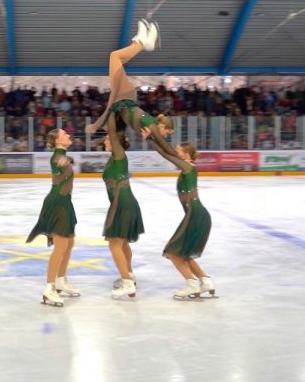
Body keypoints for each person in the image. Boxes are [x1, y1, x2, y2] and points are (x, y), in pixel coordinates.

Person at [85, 19, 179, 159]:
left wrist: (98, 138)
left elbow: (115, 128)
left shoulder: (147, 128)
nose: (165, 136)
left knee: (117, 58)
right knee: (115, 57)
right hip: (124, 96)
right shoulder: (151, 124)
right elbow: (165, 146)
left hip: (125, 98)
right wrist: (182, 157)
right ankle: (142, 43)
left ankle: (139, 42)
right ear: (163, 127)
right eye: (167, 133)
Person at [142, 128, 216, 300]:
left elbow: (166, 154)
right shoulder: (187, 168)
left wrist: (150, 139)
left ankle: (191, 284)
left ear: (187, 154)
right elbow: (168, 152)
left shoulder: (187, 167)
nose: (175, 153)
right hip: (197, 214)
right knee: (184, 253)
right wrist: (152, 138)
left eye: (178, 151)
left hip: (195, 215)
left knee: (173, 252)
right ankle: (205, 281)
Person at [27, 129, 79, 307]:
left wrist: (68, 159)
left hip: (65, 202)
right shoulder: (56, 157)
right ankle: (48, 288)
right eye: (64, 134)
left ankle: (60, 281)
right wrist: (67, 159)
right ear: (57, 141)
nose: (68, 135)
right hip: (57, 203)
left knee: (69, 242)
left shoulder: (61, 155)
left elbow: (66, 160)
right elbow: (59, 161)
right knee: (61, 245)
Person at [103, 114, 144, 299]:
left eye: (108, 139)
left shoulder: (119, 156)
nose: (105, 141)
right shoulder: (114, 157)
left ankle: (127, 283)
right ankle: (129, 275)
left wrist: (112, 112)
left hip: (123, 203)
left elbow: (113, 131)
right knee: (123, 242)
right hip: (121, 203)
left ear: (115, 142)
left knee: (114, 244)